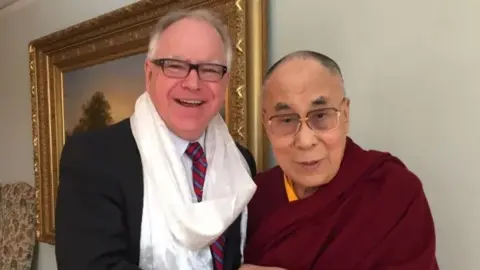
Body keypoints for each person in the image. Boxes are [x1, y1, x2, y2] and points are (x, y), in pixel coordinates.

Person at [55, 9, 260, 270]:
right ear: (150, 73)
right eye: (175, 66)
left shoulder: (241, 163)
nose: (193, 83)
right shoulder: (93, 157)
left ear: (226, 82)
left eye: (210, 69)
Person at [243, 50, 439, 270]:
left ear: (345, 115)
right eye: (286, 119)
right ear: (265, 124)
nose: (305, 141)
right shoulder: (252, 199)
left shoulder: (393, 190)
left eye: (321, 116)